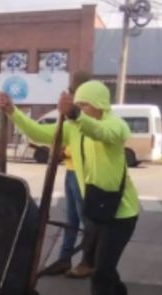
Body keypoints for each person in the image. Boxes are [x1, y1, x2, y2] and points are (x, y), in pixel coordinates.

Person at [0, 80, 140, 295]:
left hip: (121, 212)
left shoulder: (115, 125)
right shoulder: (74, 128)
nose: (81, 109)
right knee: (100, 261)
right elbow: (39, 133)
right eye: (79, 104)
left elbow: (103, 133)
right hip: (96, 207)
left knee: (102, 269)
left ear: (98, 105)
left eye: (85, 104)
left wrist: (75, 114)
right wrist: (13, 112)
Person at [39, 70, 95, 278]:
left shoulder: (88, 111)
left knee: (86, 222)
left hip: (83, 175)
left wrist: (65, 151)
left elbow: (85, 142)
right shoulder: (73, 108)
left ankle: (87, 262)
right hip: (70, 172)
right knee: (71, 219)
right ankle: (64, 259)